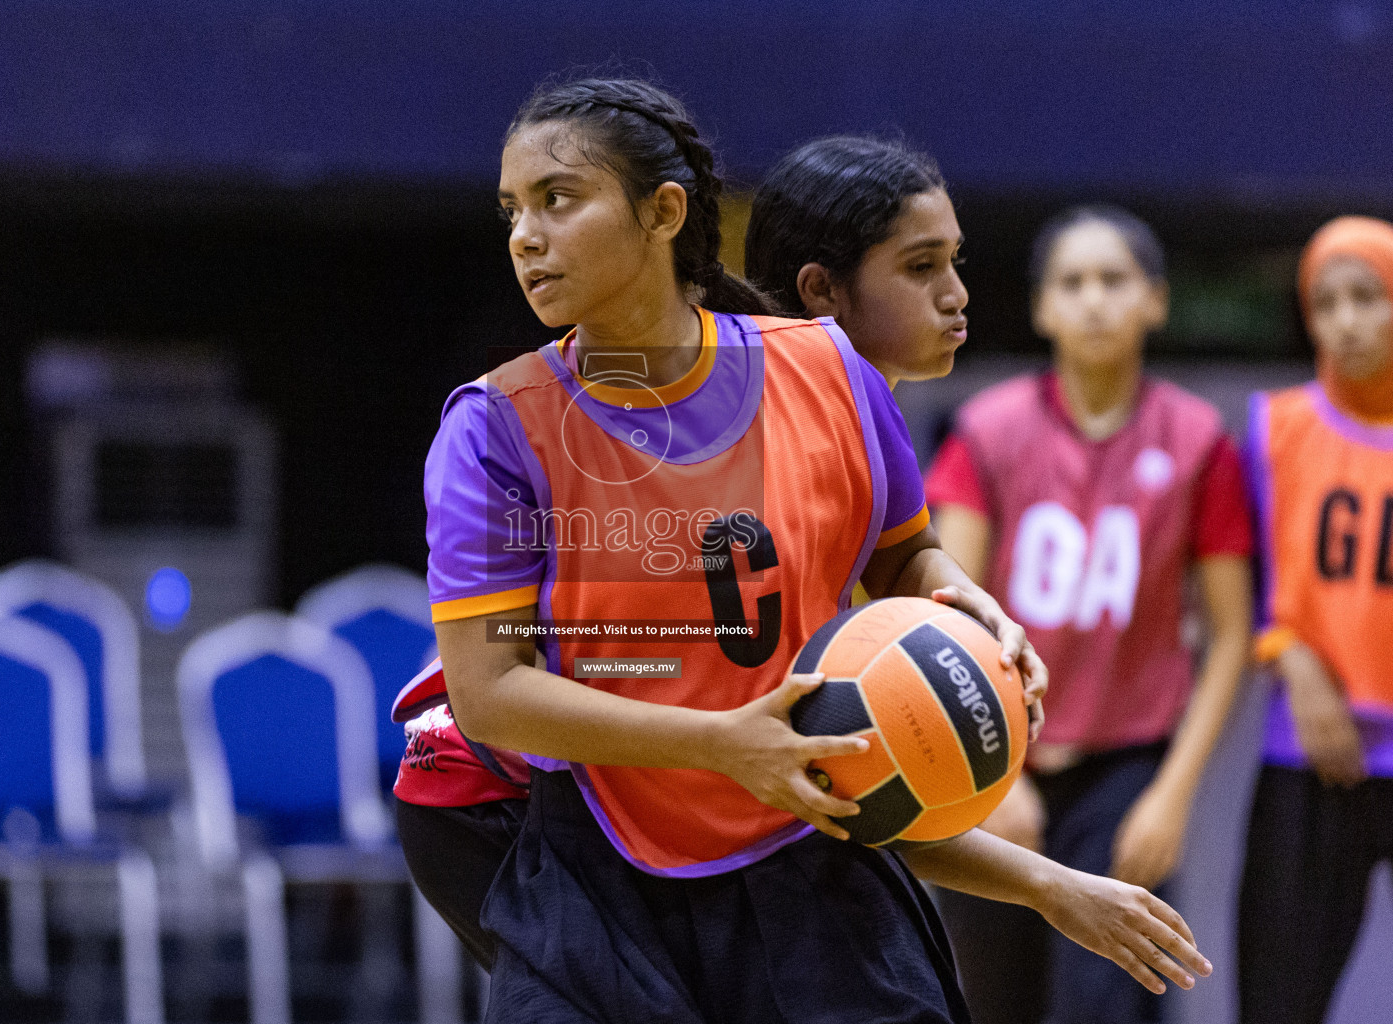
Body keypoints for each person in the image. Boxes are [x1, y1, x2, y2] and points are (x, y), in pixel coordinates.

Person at [420, 77, 1211, 1024]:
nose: (523, 236)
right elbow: (490, 694)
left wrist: (968, 605)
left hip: (801, 856)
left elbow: (908, 562)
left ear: (664, 213)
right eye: (512, 209)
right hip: (590, 865)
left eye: (557, 199)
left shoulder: (830, 370)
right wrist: (725, 743)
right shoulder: (495, 429)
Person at [921, 205, 1254, 1024]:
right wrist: (990, 776)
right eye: (1073, 282)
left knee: (1109, 1000)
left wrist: (1171, 793)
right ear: (1042, 308)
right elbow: (947, 604)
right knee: (985, 997)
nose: (1095, 300)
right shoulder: (988, 431)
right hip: (996, 752)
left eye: (1115, 280)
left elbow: (1232, 633)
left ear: (1157, 301)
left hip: (1126, 767)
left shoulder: (1199, 439)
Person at [1237, 215, 1393, 1024]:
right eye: (1324, 302)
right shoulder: (1276, 426)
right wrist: (1292, 659)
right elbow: (1243, 591)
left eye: (1368, 296)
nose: (1346, 320)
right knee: (1278, 999)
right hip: (1308, 752)